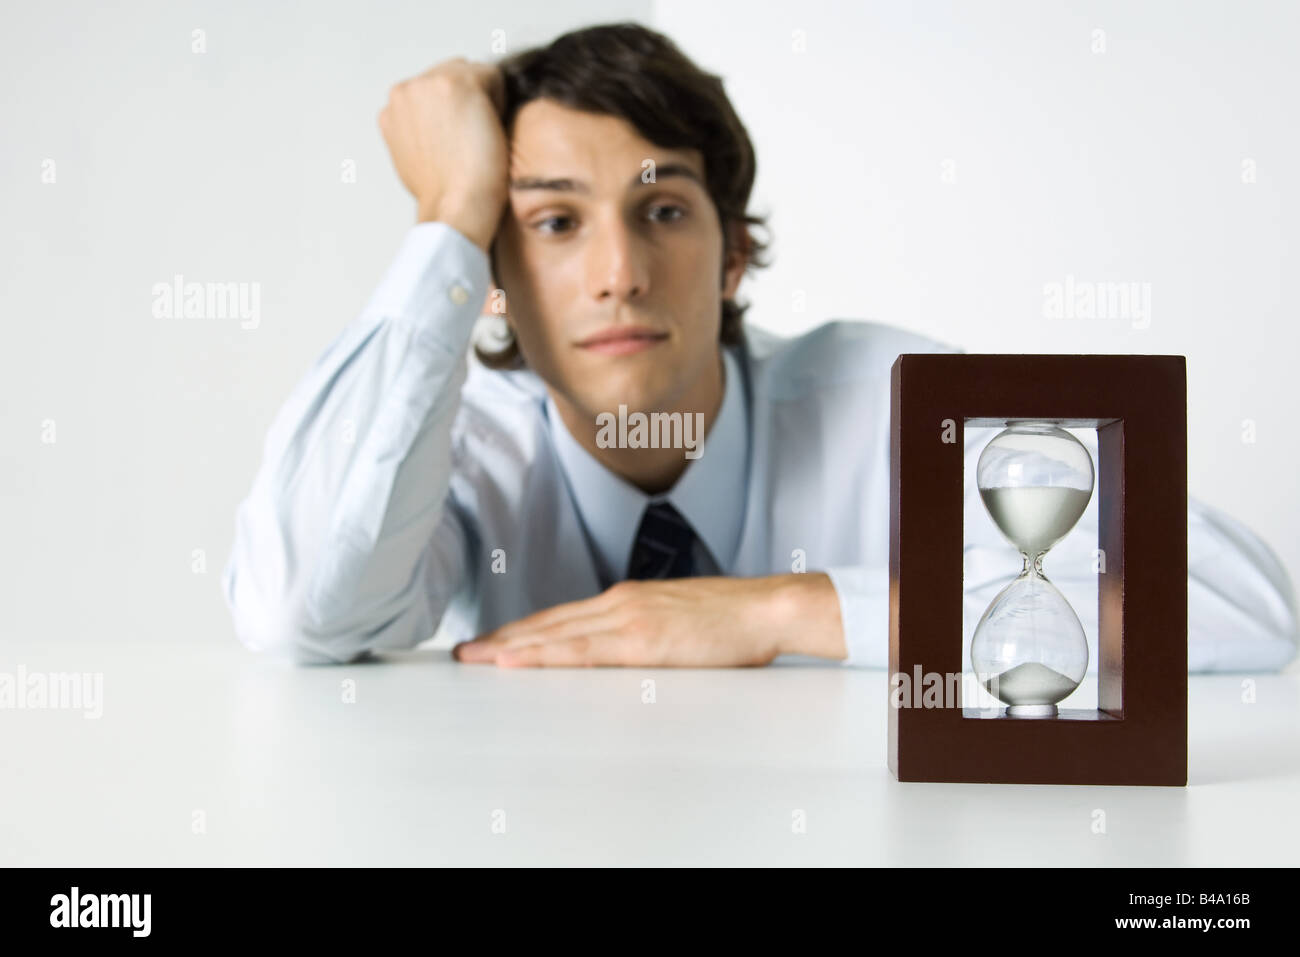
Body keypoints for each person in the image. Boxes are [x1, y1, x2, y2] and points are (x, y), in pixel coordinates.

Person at [221, 23, 1298, 672]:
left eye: (664, 213)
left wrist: (789, 609)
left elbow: (1244, 609)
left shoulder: (887, 401)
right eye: (554, 224)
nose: (617, 273)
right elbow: (299, 610)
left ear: (734, 254)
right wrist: (448, 216)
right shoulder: (455, 458)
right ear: (494, 285)